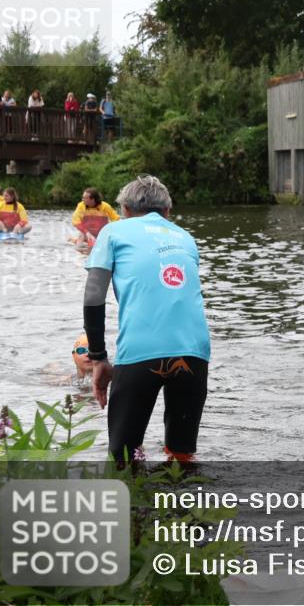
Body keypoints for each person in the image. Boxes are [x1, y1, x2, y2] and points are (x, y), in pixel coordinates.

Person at [84, 175, 211, 464]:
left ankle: (133, 508)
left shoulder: (113, 232)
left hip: (141, 351)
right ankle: (182, 505)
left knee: (122, 459)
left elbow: (93, 297)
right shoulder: (185, 237)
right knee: (182, 458)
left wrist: (98, 358)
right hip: (194, 352)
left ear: (125, 210)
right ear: (168, 211)